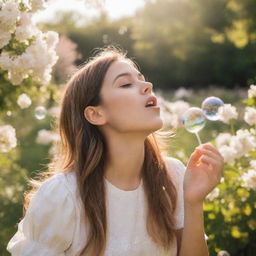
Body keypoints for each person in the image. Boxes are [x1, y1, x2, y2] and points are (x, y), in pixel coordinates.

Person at [7, 46, 224, 256]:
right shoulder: (63, 197)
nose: (147, 85)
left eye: (142, 79)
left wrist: (194, 202)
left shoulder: (172, 176)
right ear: (95, 114)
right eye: (126, 84)